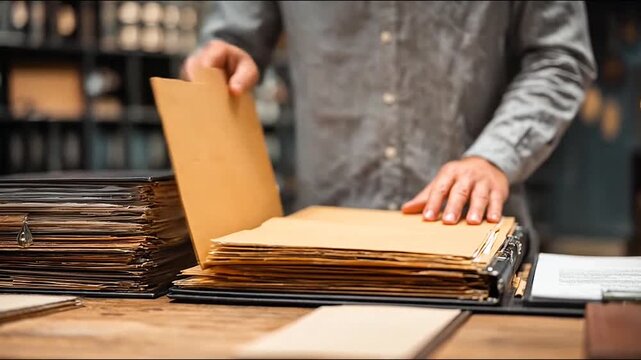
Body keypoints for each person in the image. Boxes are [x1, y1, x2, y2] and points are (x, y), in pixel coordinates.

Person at [182, 2, 596, 239]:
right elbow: (234, 37)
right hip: (323, 241)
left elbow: (559, 58)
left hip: (471, 233)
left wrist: (495, 157)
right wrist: (225, 55)